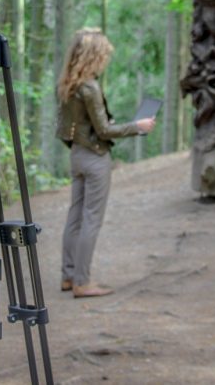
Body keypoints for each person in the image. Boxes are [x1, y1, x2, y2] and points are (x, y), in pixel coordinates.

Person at [56, 29, 156, 297]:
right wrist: (138, 126)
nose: (105, 61)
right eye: (103, 56)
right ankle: (82, 281)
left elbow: (74, 125)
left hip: (77, 154)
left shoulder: (68, 84)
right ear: (94, 56)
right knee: (91, 219)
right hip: (95, 158)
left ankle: (68, 276)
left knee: (75, 216)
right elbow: (103, 131)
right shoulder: (89, 87)